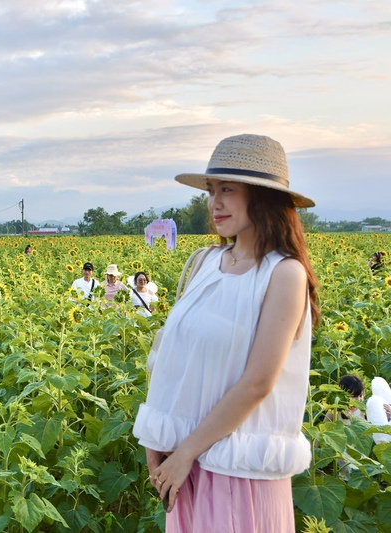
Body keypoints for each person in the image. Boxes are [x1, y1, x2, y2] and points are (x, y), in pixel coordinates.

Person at [132, 134, 319, 532]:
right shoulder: (205, 262)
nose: (214, 202)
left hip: (239, 471)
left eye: (227, 191)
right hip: (186, 464)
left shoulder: (283, 273)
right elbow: (172, 356)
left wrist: (185, 455)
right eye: (211, 190)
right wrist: (157, 437)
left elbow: (258, 383)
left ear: (263, 198)